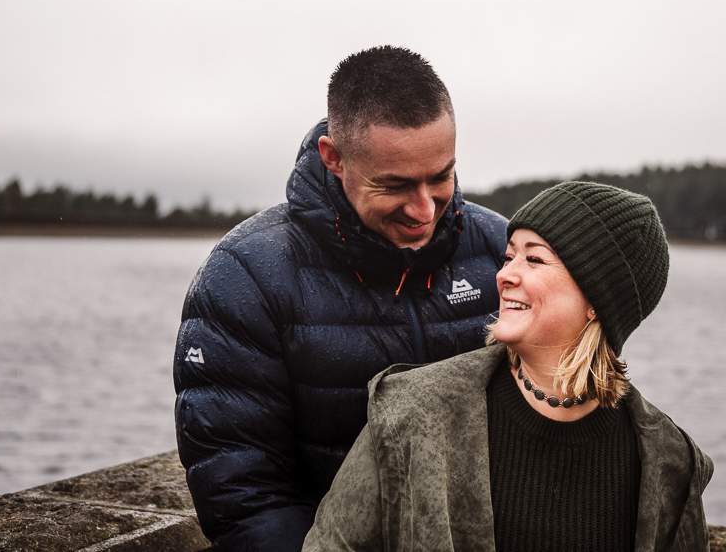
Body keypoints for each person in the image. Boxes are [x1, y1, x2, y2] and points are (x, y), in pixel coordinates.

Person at [174, 46, 508, 551]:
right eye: (394, 184)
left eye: (441, 176)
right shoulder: (245, 279)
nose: (424, 209)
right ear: (334, 159)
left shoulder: (503, 252)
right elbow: (246, 499)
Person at [304, 181, 713, 552]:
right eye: (508, 255)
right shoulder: (410, 412)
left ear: (596, 302)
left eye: (533, 260)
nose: (504, 275)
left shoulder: (669, 463)